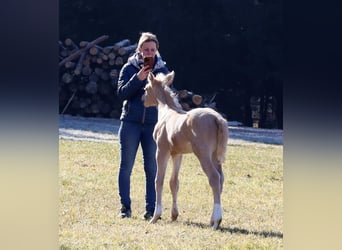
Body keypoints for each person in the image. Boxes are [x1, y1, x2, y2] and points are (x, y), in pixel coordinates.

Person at [116, 32, 169, 220]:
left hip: (153, 126)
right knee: (126, 166)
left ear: (157, 51)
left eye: (152, 50)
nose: (149, 53)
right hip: (130, 123)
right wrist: (138, 78)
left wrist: (154, 80)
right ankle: (125, 208)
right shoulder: (128, 68)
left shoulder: (163, 70)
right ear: (139, 50)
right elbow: (121, 94)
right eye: (146, 49)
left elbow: (165, 97)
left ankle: (151, 209)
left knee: (152, 168)